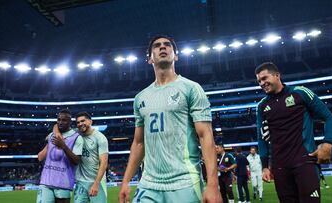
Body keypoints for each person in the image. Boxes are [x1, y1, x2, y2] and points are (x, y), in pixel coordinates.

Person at [119, 35, 222, 203]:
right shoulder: (140, 97)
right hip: (148, 184)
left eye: (167, 45)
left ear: (176, 55)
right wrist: (125, 181)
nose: (162, 47)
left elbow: (205, 136)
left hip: (185, 182)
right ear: (149, 59)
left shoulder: (191, 89)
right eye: (157, 45)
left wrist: (213, 185)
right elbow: (139, 143)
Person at [255, 62, 332, 203]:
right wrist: (265, 167)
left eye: (264, 78)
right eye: (259, 81)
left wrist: (328, 143)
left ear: (277, 75)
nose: (262, 83)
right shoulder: (262, 106)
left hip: (305, 162)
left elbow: (329, 117)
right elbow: (261, 138)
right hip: (280, 167)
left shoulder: (301, 93)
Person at [54, 111, 109, 203]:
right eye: (78, 122)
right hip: (80, 182)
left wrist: (96, 184)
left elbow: (104, 163)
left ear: (90, 122)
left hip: (96, 182)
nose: (80, 124)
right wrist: (56, 132)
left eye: (83, 121)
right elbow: (57, 126)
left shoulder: (100, 138)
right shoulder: (76, 133)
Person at [37, 109, 83, 203]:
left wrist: (63, 146)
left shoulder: (77, 138)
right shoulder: (52, 135)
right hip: (46, 182)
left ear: (70, 122)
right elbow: (40, 157)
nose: (60, 122)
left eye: (64, 120)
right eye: (59, 120)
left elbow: (76, 161)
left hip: (63, 183)